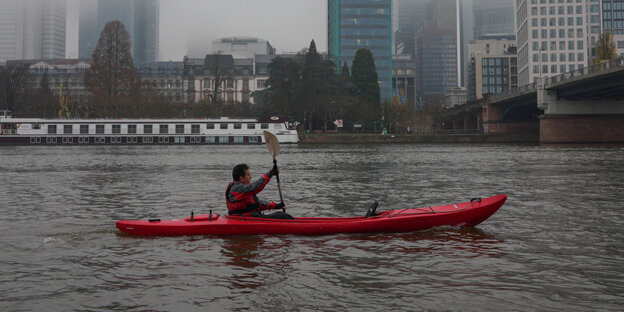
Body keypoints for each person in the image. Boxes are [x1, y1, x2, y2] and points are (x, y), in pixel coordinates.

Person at [225, 163, 294, 219]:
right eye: (248, 175)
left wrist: (277, 206)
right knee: (284, 216)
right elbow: (255, 187)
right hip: (243, 219)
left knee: (281, 214)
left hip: (250, 217)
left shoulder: (243, 190)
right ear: (242, 178)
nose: (251, 177)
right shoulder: (237, 188)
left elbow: (258, 204)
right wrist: (271, 173)